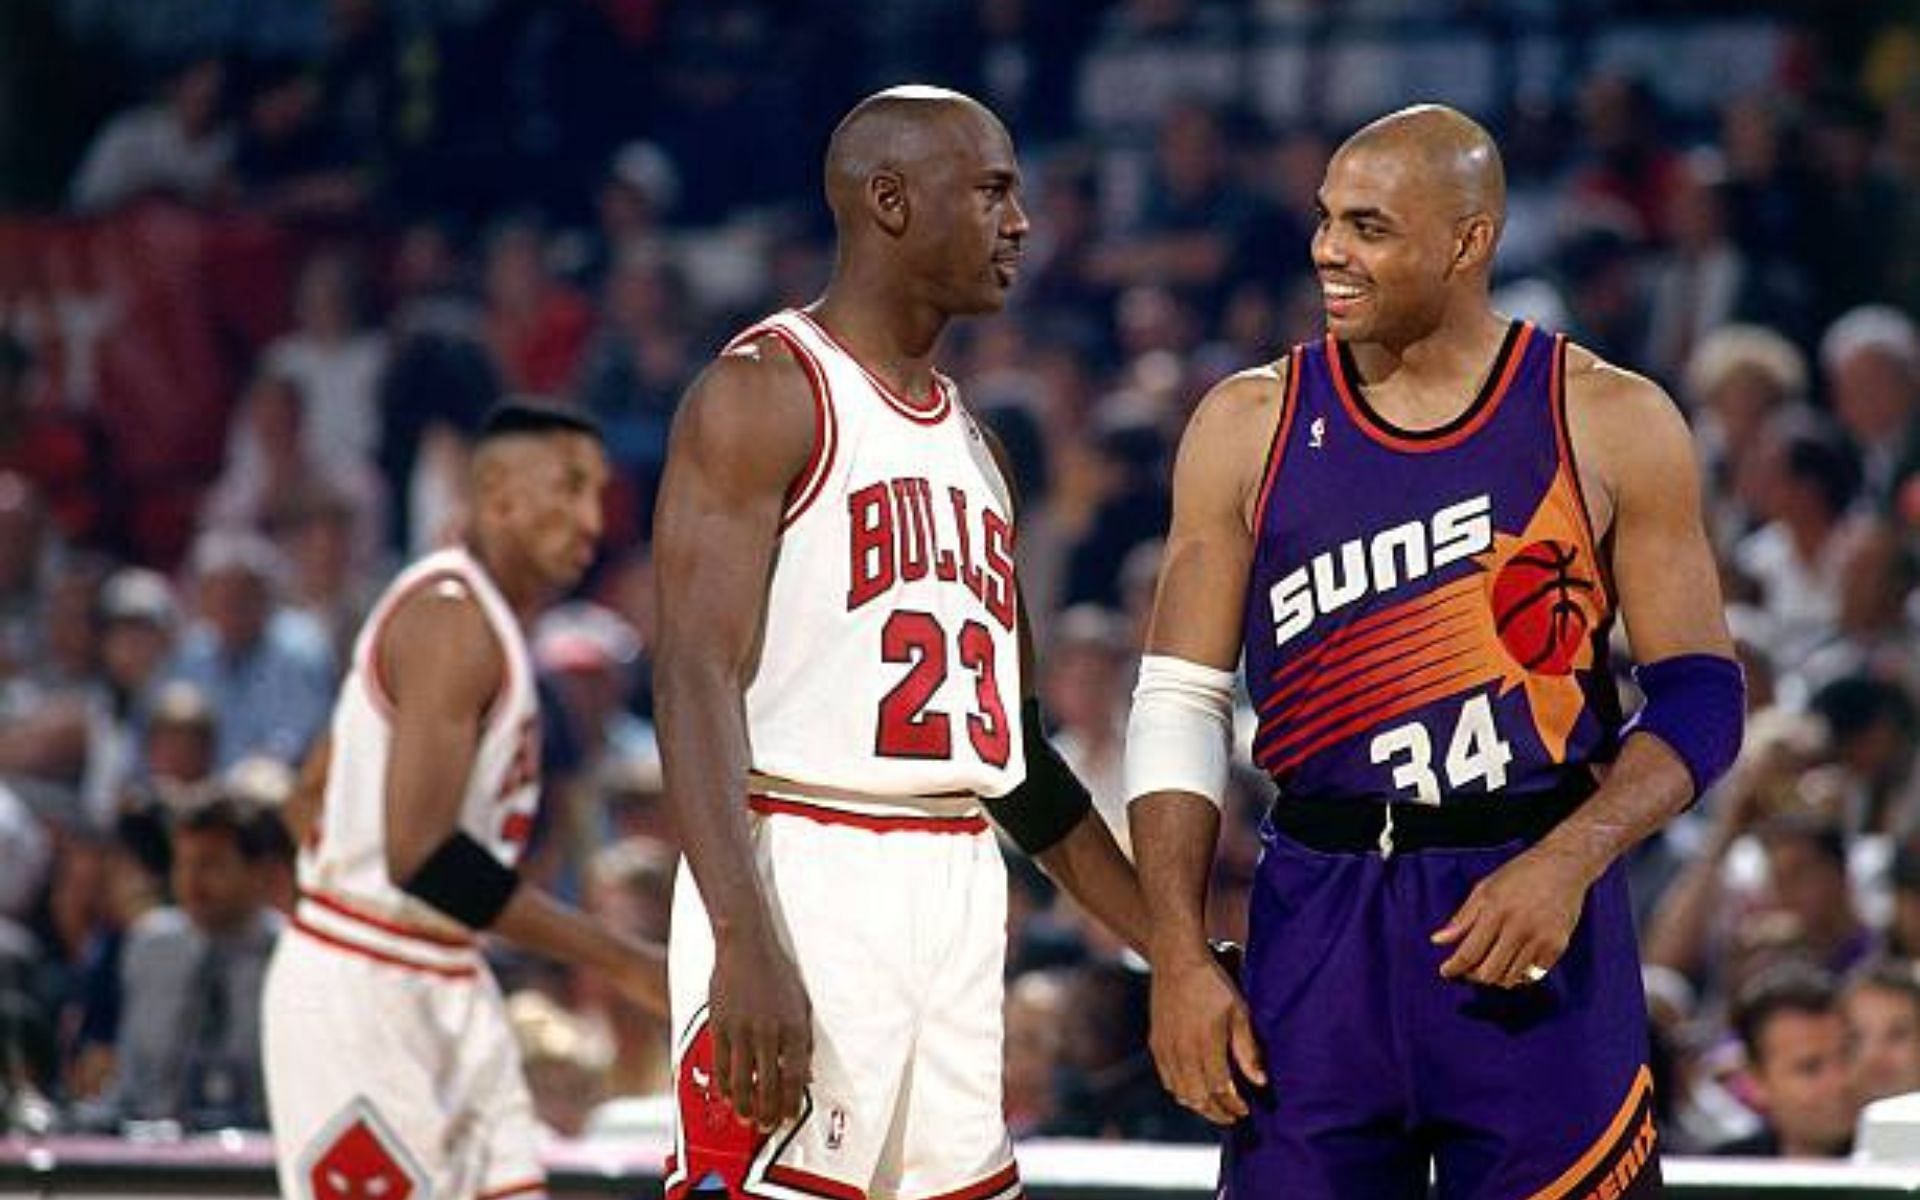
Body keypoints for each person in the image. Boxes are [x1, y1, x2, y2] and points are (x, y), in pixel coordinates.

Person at [1127, 104, 1743, 1199]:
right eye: (1324, 220)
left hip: (1527, 908)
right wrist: (1175, 952)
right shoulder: (1246, 422)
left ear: (1470, 242)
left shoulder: (1605, 417)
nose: (1327, 250)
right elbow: (1179, 700)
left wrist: (1572, 857)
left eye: (1367, 226)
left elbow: (1701, 697)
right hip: (1317, 911)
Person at [653, 86, 1146, 1200]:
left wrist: (1171, 948)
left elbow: (1017, 764)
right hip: (803, 865)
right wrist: (744, 936)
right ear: (889, 199)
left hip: (960, 880)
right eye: (992, 190)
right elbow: (691, 675)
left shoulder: (980, 445)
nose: (1021, 221)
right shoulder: (765, 391)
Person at [261, 403, 666, 1200]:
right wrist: (623, 959)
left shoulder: (478, 619)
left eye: (599, 494)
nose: (592, 517)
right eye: (569, 488)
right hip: (371, 985)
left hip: (437, 971)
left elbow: (312, 790)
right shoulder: (451, 619)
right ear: (496, 492)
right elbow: (424, 860)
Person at [1713, 963, 1856, 1157]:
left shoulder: (1903, 1168)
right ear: (1755, 1081)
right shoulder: (1720, 1175)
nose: (1841, 1081)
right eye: (1810, 1068)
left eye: (1847, 1055)